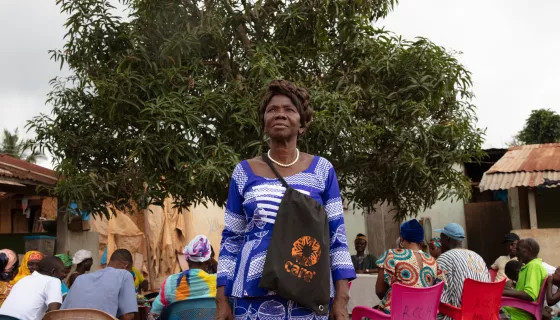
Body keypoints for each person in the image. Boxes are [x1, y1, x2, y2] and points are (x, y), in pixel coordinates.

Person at [216, 80, 356, 320]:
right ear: (264, 124)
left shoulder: (322, 170)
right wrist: (221, 299)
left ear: (302, 124)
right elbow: (231, 239)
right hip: (251, 296)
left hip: (309, 294)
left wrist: (341, 298)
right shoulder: (243, 172)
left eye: (289, 109)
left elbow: (337, 237)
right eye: (272, 110)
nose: (280, 114)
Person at [375, 219, 445, 314]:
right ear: (421, 241)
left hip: (395, 315)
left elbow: (380, 291)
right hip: (423, 315)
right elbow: (439, 293)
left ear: (401, 239)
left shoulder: (391, 255)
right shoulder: (433, 261)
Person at [62, 248, 138, 320]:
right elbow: (127, 316)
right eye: (130, 270)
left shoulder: (80, 279)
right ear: (126, 265)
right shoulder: (125, 275)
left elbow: (63, 312)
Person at [151, 235, 217, 315]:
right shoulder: (218, 282)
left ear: (187, 259)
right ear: (208, 263)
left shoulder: (170, 282)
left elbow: (154, 312)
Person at [436, 223, 489, 320]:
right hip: (482, 315)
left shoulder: (444, 258)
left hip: (458, 316)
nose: (440, 242)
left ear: (446, 239)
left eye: (441, 238)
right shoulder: (478, 257)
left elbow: (440, 299)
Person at [0, 256, 65, 320]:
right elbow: (54, 312)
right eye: (63, 271)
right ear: (53, 271)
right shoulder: (53, 280)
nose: (64, 275)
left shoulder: (24, 279)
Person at [502, 238, 548, 320]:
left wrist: (502, 292)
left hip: (519, 315)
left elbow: (529, 295)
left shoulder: (534, 266)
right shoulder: (528, 267)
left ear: (528, 250)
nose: (516, 253)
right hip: (516, 310)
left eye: (518, 250)